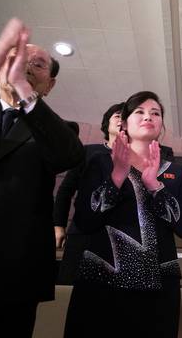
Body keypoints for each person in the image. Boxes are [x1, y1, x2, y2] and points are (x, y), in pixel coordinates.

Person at [0, 19, 84, 336]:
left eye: (38, 65)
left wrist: (22, 87)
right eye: (16, 58)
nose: (26, 66)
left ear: (49, 84)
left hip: (16, 268)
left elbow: (68, 156)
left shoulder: (57, 129)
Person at [64, 91, 182, 337]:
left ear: (161, 126)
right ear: (123, 123)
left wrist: (155, 186)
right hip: (101, 277)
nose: (149, 116)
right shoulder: (101, 163)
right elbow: (85, 220)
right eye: (140, 112)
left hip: (159, 282)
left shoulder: (177, 172)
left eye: (155, 113)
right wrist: (116, 176)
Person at [53, 102, 124, 284]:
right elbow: (65, 190)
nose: (121, 120)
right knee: (70, 285)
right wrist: (58, 225)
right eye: (117, 116)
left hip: (120, 237)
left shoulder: (137, 158)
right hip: (82, 233)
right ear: (106, 123)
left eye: (126, 117)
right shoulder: (87, 152)